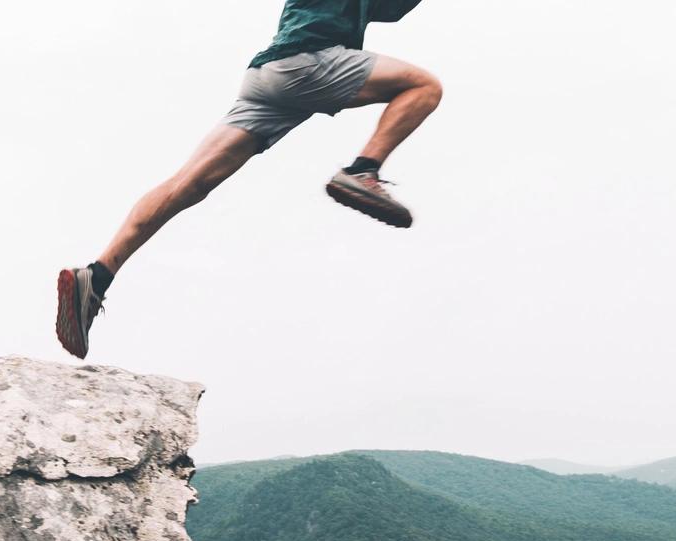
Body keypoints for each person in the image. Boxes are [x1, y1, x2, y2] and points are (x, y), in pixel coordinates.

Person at [57, 0, 440, 359]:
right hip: (306, 62)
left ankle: (98, 275)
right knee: (422, 87)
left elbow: (389, 9)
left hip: (270, 76)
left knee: (188, 184)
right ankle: (362, 171)